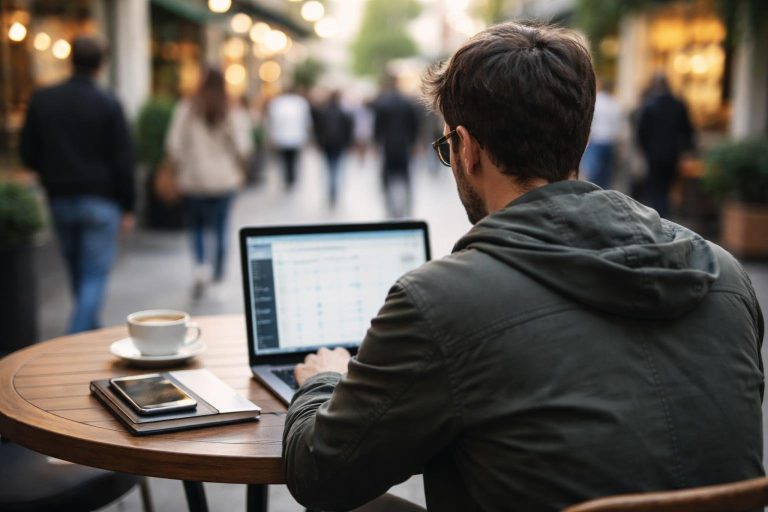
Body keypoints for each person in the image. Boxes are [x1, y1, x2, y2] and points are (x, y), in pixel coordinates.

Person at [282, 22, 764, 512]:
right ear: (579, 134)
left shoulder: (441, 301)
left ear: (467, 148)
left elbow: (318, 472)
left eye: (447, 145)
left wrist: (326, 379)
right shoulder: (725, 277)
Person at [20, 36, 135, 334]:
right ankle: (75, 336)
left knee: (78, 274)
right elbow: (123, 160)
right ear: (101, 65)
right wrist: (129, 206)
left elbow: (27, 152)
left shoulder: (43, 99)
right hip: (101, 202)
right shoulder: (108, 102)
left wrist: (49, 172)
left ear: (70, 60)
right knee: (93, 276)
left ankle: (87, 332)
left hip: (60, 198)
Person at [165, 68, 252, 297]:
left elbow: (174, 145)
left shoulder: (188, 108)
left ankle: (201, 266)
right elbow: (244, 147)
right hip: (224, 180)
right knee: (221, 226)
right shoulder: (232, 110)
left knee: (197, 227)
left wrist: (177, 167)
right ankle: (219, 273)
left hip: (194, 179)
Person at [636, 73, 695, 217]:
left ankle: (658, 215)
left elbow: (641, 132)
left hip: (653, 153)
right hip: (672, 153)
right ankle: (664, 215)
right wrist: (688, 150)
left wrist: (643, 149)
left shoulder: (649, 106)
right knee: (668, 187)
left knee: (656, 188)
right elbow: (688, 131)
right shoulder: (678, 105)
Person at [373, 74, 421, 218]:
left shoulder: (383, 103)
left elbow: (378, 126)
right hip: (404, 144)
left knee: (388, 178)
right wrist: (414, 143)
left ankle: (390, 209)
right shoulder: (406, 102)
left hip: (388, 145)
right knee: (405, 178)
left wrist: (377, 143)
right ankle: (406, 207)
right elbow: (414, 124)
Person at [312, 90, 353, 207]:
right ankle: (333, 191)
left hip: (327, 144)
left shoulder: (323, 112)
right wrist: (348, 144)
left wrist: (319, 143)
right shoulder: (343, 113)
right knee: (336, 167)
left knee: (330, 167)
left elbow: (318, 130)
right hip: (338, 144)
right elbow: (348, 130)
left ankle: (332, 191)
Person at [266, 87, 312, 189]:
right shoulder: (300, 103)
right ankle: (291, 178)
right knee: (292, 159)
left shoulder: (277, 103)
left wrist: (271, 136)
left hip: (283, 136)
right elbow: (307, 121)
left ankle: (288, 178)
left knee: (285, 159)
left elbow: (272, 122)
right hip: (295, 136)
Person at [580, 80, 623, 189]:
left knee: (594, 174)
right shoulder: (614, 103)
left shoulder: (596, 101)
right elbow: (617, 126)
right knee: (606, 175)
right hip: (610, 142)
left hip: (596, 140)